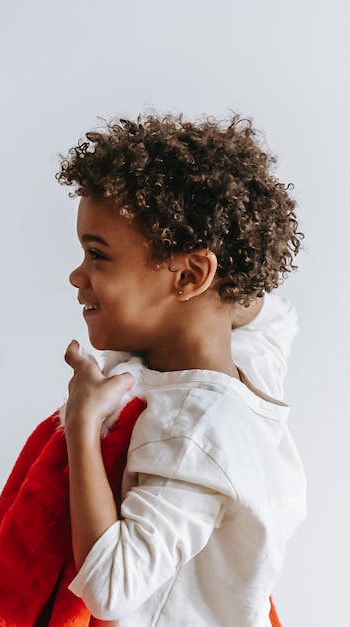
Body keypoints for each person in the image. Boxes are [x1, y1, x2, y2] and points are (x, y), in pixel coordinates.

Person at [58, 113, 304, 625]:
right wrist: (212, 299)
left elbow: (110, 588)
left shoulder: (195, 432)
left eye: (97, 255)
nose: (76, 275)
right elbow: (272, 312)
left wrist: (81, 425)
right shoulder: (250, 363)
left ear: (190, 274)